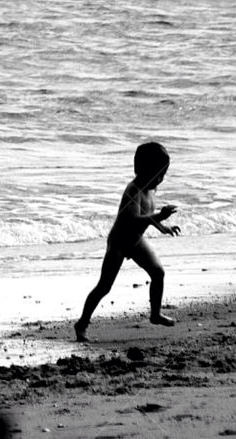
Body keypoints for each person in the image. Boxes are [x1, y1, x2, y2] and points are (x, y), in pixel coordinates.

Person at [74, 142, 180, 342]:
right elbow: (132, 220)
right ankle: (82, 323)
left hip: (136, 241)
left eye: (164, 175)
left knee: (158, 273)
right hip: (120, 242)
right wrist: (160, 217)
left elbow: (147, 217)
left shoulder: (150, 191)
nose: (161, 180)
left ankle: (155, 314)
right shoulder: (133, 191)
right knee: (104, 286)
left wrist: (162, 227)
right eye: (159, 174)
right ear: (144, 170)